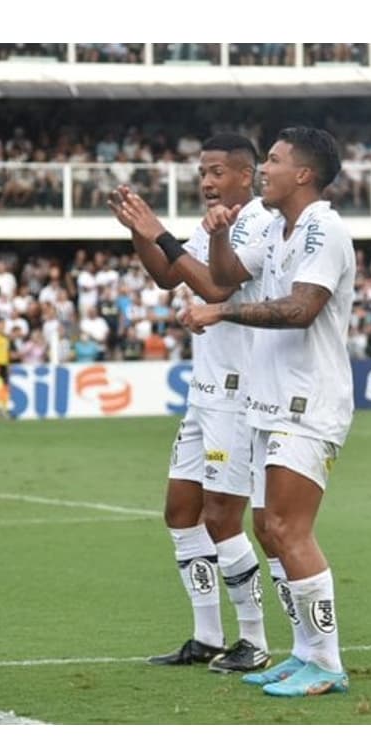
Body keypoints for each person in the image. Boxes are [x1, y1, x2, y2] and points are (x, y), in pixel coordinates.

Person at [180, 126, 355, 697]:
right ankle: (303, 651)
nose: (264, 170)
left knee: (288, 528)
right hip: (269, 401)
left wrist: (223, 315)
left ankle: (326, 662)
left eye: (274, 161)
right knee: (268, 529)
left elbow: (302, 309)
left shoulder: (322, 228)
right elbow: (225, 276)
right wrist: (224, 235)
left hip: (308, 401)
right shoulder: (282, 230)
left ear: (303, 173)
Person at [108, 133, 275, 674]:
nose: (206, 180)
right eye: (203, 170)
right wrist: (141, 234)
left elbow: (216, 290)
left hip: (238, 393)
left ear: (245, 176)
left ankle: (253, 638)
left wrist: (160, 231)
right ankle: (207, 634)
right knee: (181, 513)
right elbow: (167, 276)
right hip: (204, 394)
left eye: (218, 171)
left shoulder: (254, 224)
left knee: (223, 519)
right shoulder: (213, 226)